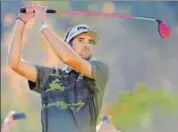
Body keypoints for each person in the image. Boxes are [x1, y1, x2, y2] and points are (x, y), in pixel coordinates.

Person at [8, 5, 109, 132]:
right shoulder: (50, 76)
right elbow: (14, 63)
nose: (87, 45)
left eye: (90, 42)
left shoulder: (99, 70)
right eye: (81, 40)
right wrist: (21, 21)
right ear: (68, 45)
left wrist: (43, 25)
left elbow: (67, 57)